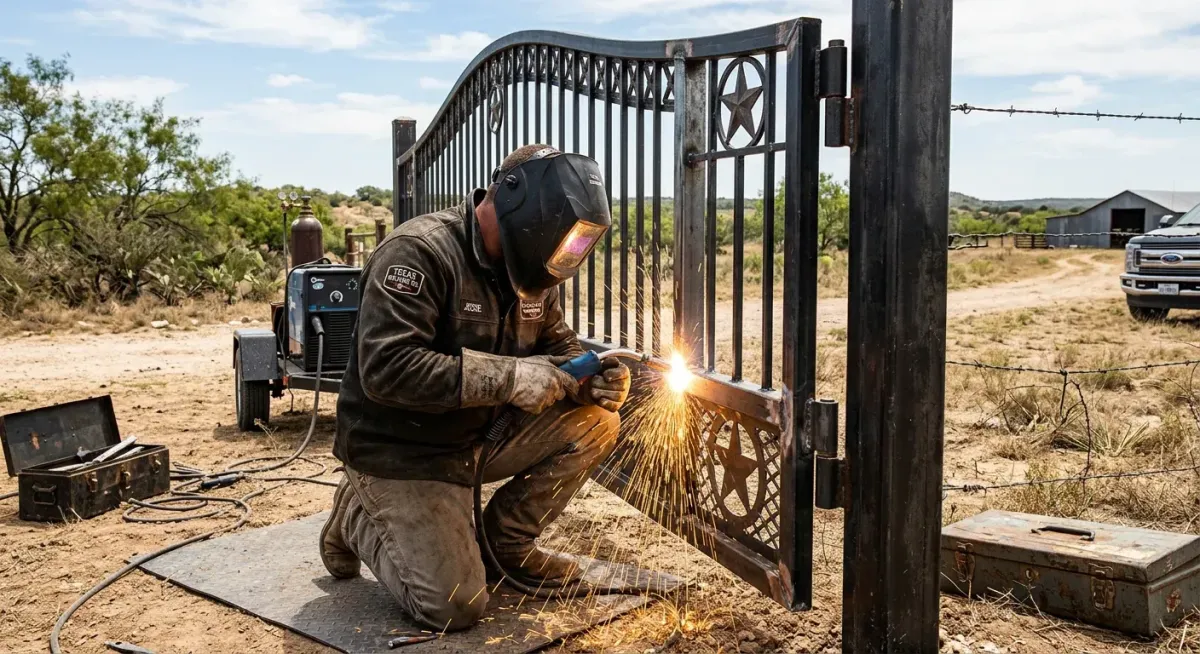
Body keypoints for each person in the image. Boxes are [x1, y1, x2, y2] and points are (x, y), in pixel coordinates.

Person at [320, 144, 631, 631]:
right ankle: (355, 514)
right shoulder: (418, 253)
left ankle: (506, 544)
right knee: (454, 607)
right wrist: (508, 377)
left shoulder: (530, 273)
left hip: (476, 441)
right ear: (517, 202)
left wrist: (592, 378)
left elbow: (559, 345)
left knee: (595, 421)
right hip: (401, 450)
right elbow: (386, 368)